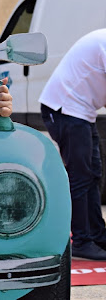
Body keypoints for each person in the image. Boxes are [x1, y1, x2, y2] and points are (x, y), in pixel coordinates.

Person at [40, 29, 106, 260]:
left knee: (93, 174)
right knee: (81, 177)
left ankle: (97, 236)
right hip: (65, 109)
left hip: (80, 112)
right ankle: (81, 241)